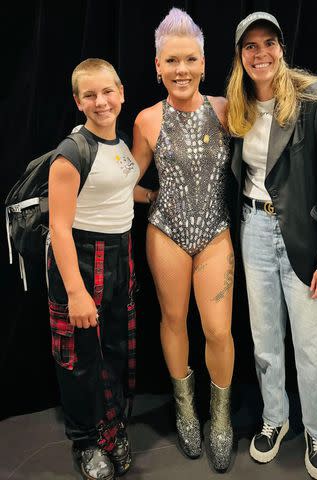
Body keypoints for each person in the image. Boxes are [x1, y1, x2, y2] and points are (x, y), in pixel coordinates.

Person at [226, 11, 317, 480]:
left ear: (282, 48)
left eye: (269, 44)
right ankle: (274, 419)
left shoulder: (316, 97)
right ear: (240, 56)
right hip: (254, 228)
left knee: (314, 346)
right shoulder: (237, 107)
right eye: (250, 46)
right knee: (264, 339)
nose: (261, 54)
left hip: (305, 235)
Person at [131, 7, 234, 472]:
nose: (182, 70)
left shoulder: (226, 110)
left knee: (217, 329)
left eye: (190, 60)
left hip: (215, 231)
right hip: (167, 232)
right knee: (174, 319)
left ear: (204, 63)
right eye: (172, 61)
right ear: (158, 66)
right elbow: (126, 181)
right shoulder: (147, 120)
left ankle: (220, 417)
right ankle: (186, 409)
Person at [48, 58, 154, 480]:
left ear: (122, 92)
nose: (101, 101)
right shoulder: (71, 152)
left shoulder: (122, 144)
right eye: (89, 95)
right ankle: (86, 441)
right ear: (78, 101)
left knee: (112, 349)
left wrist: (170, 198)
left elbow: (124, 193)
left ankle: (111, 429)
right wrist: (75, 291)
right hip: (80, 257)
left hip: (119, 254)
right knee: (79, 358)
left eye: (107, 91)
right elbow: (58, 226)